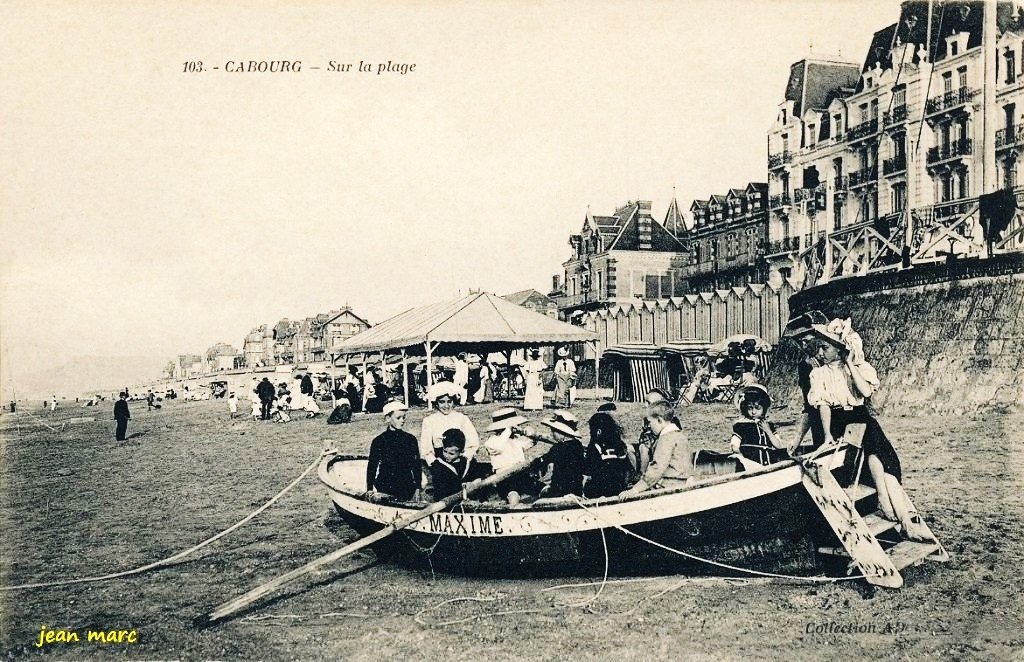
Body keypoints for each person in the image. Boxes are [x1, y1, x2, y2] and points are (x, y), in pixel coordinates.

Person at [806, 322, 930, 541]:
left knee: (885, 461)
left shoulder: (858, 368)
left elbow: (864, 392)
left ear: (840, 349)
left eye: (825, 347)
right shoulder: (818, 374)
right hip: (840, 421)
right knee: (876, 449)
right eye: (819, 347)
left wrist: (851, 365)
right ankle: (893, 510)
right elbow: (823, 405)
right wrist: (826, 437)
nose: (820, 352)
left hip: (859, 415)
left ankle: (902, 518)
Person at [622, 401, 692, 495]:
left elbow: (657, 468)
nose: (649, 426)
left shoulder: (666, 438)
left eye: (650, 422)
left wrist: (635, 490)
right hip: (682, 482)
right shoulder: (680, 435)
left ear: (659, 420)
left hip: (669, 486)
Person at [365, 401, 422, 501]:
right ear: (387, 418)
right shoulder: (379, 441)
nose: (402, 420)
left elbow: (416, 465)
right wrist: (369, 489)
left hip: (407, 487)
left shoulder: (410, 440)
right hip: (385, 487)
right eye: (398, 418)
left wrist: (418, 487)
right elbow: (372, 466)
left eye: (404, 417)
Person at [418, 381, 480, 467]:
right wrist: (434, 464)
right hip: (439, 462)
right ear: (436, 403)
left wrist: (464, 459)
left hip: (461, 460)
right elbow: (426, 449)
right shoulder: (429, 421)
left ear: (454, 401)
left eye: (449, 401)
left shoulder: (461, 418)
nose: (446, 406)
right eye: (442, 402)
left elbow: (473, 443)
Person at [483, 407, 537, 505]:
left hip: (521, 473)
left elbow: (530, 443)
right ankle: (513, 507)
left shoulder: (516, 439)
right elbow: (498, 447)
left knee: (536, 487)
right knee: (512, 492)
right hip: (504, 476)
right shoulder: (492, 441)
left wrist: (531, 433)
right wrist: (508, 430)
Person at [730, 384, 789, 467]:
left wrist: (768, 431)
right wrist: (743, 460)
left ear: (763, 408)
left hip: (769, 464)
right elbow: (734, 445)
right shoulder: (741, 426)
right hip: (749, 465)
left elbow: (778, 446)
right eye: (750, 408)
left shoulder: (768, 425)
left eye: (757, 408)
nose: (753, 412)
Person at [534, 410, 587, 498]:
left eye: (553, 431)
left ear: (561, 433)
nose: (552, 434)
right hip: (576, 489)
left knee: (536, 486)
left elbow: (546, 458)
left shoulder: (559, 448)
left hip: (559, 490)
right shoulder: (577, 445)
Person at [430, 429, 493, 500]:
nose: (447, 455)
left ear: (461, 452)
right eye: (444, 451)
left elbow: (477, 477)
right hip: (447, 500)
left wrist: (473, 483)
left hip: (468, 501)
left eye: (451, 454)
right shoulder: (439, 465)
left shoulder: (467, 463)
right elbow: (440, 487)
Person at [584, 412, 632, 498]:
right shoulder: (619, 445)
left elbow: (589, 470)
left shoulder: (594, 446)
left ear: (598, 431)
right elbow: (627, 468)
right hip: (618, 487)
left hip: (600, 490)